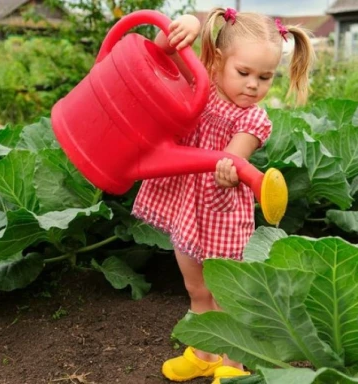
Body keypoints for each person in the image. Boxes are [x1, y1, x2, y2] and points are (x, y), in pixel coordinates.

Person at [132, 7, 315, 384]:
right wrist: (181, 30)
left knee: (225, 293)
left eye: (265, 77)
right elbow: (158, 56)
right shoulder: (202, 83)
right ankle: (203, 355)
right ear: (217, 61)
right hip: (187, 206)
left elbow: (233, 155)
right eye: (244, 73)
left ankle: (232, 363)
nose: (253, 85)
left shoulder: (252, 119)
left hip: (221, 214)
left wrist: (230, 168)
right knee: (196, 288)